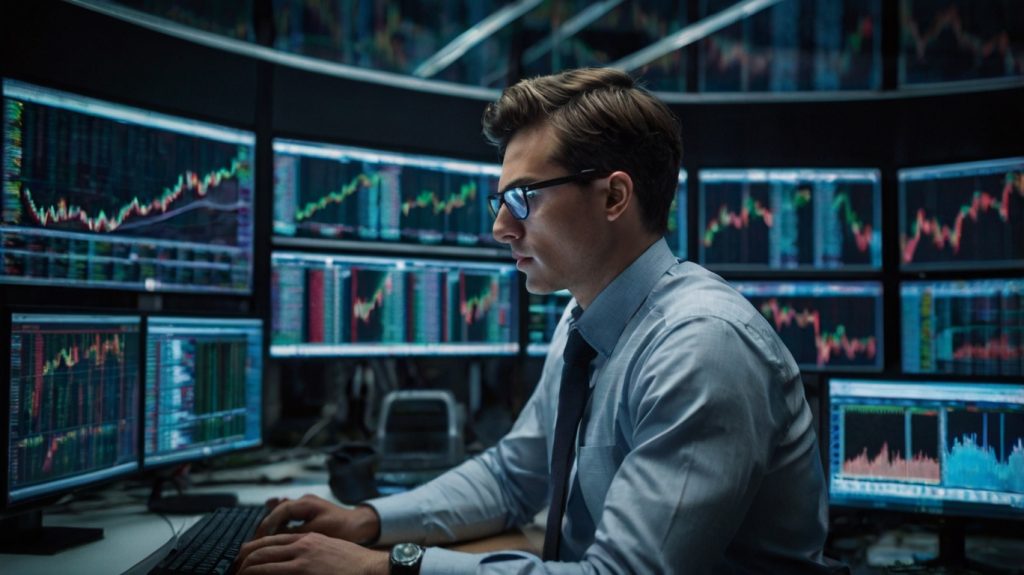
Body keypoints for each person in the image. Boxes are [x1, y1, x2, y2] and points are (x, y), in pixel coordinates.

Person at [236, 67, 834, 574]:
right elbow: (510, 477)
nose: (501, 227)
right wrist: (367, 521)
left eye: (523, 197)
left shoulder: (702, 346)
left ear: (613, 198)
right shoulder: (585, 321)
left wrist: (389, 566)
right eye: (499, 201)